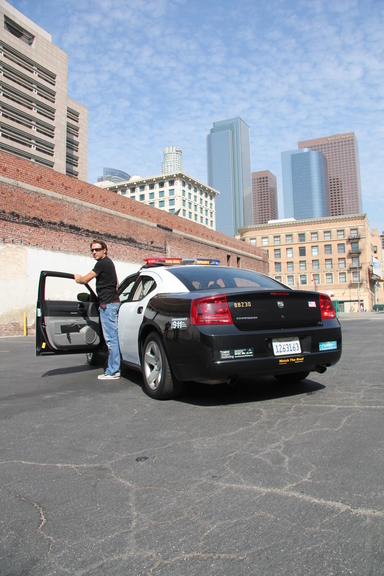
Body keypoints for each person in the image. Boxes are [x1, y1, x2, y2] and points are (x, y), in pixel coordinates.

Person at [74, 240, 121, 380]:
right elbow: (117, 283)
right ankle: (114, 368)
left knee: (111, 340)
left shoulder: (102, 263)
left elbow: (84, 280)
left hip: (107, 305)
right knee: (112, 339)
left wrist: (77, 278)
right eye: (92, 250)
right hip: (111, 303)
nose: (94, 252)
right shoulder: (109, 263)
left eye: (97, 249)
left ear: (104, 250)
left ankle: (113, 371)